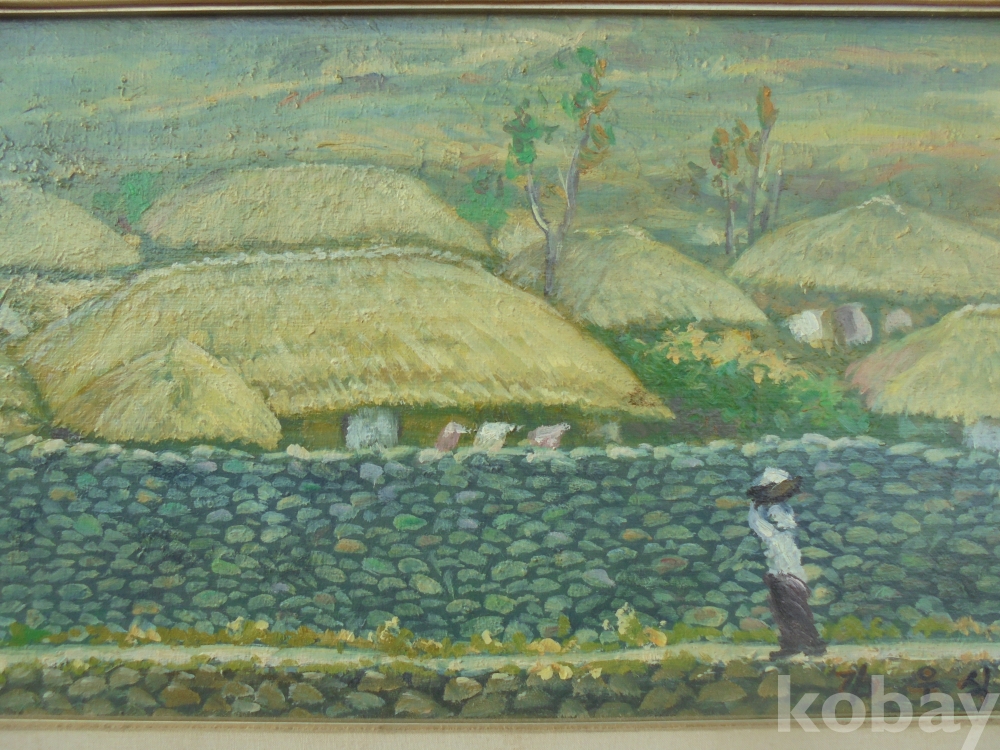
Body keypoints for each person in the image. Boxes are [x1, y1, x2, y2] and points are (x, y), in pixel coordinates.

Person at [747, 467, 827, 660]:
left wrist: (757, 509)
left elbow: (773, 530)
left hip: (788, 569)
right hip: (777, 568)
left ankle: (813, 644)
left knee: (795, 609)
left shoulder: (779, 509)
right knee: (781, 609)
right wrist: (756, 508)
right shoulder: (764, 510)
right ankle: (791, 644)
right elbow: (761, 528)